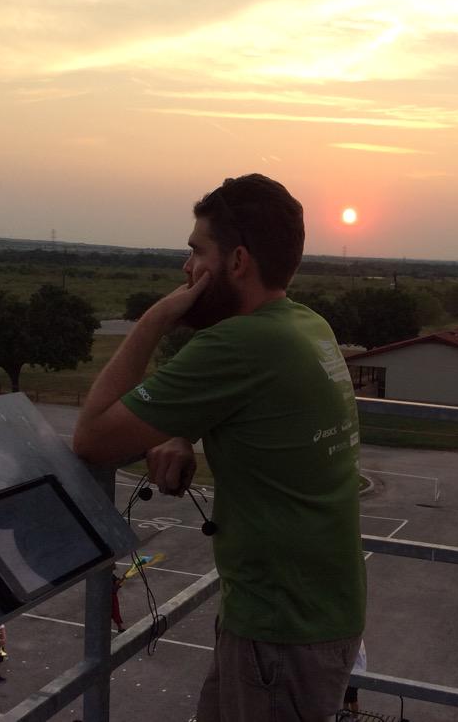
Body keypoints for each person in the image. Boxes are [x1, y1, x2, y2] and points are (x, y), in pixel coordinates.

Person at [73, 174, 366, 721]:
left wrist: (155, 318)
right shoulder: (304, 325)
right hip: (314, 612)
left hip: (279, 629)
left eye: (195, 252)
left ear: (235, 262)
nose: (186, 270)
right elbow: (256, 412)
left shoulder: (239, 343)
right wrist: (180, 431)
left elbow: (91, 438)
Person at [342, 638, 367, 719]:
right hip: (354, 670)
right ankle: (345, 712)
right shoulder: (356, 639)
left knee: (352, 697)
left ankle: (355, 718)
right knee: (345, 693)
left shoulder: (354, 642)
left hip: (355, 672)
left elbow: (347, 655)